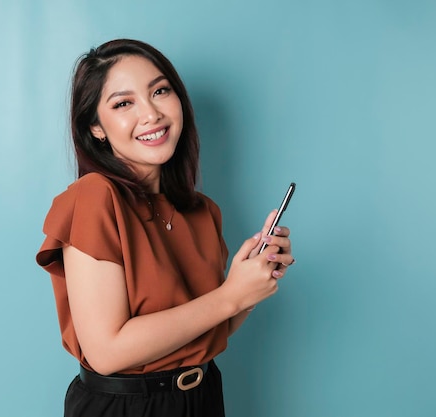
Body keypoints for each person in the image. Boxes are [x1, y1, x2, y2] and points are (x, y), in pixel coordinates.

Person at [36, 39, 294, 417]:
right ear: (96, 128)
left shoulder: (202, 211)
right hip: (125, 407)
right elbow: (107, 351)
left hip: (203, 397)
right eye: (124, 103)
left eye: (160, 91)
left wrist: (251, 286)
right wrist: (230, 296)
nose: (152, 113)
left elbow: (205, 332)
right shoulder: (94, 198)